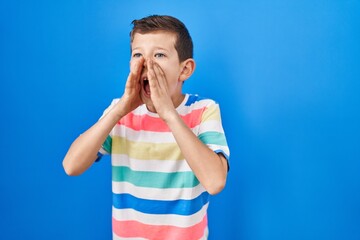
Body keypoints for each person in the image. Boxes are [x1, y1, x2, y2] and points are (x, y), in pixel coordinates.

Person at [63, 15, 230, 240]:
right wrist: (121, 108)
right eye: (138, 55)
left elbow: (215, 182)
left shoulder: (203, 110)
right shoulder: (120, 113)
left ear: (185, 69)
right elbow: (71, 165)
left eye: (159, 55)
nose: (146, 64)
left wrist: (169, 114)